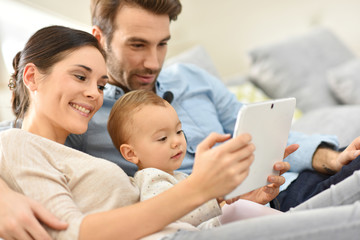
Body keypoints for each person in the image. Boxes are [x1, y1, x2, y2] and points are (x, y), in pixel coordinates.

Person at [2, 24, 360, 240]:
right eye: (80, 77)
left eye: (100, 83)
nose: (94, 94)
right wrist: (201, 186)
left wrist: (226, 201)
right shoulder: (17, 143)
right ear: (32, 77)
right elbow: (75, 235)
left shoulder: (75, 151)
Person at [66, 0, 360, 198]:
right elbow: (27, 144)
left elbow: (264, 133)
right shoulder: (83, 113)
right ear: (99, 38)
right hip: (252, 207)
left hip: (291, 179)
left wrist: (332, 158)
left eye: (163, 44)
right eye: (138, 45)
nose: (153, 63)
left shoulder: (191, 78)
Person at [107, 89, 283, 231]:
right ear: (131, 154)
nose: (176, 142)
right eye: (162, 138)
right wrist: (215, 198)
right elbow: (173, 217)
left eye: (178, 131)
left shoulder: (179, 177)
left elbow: (203, 222)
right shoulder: (151, 178)